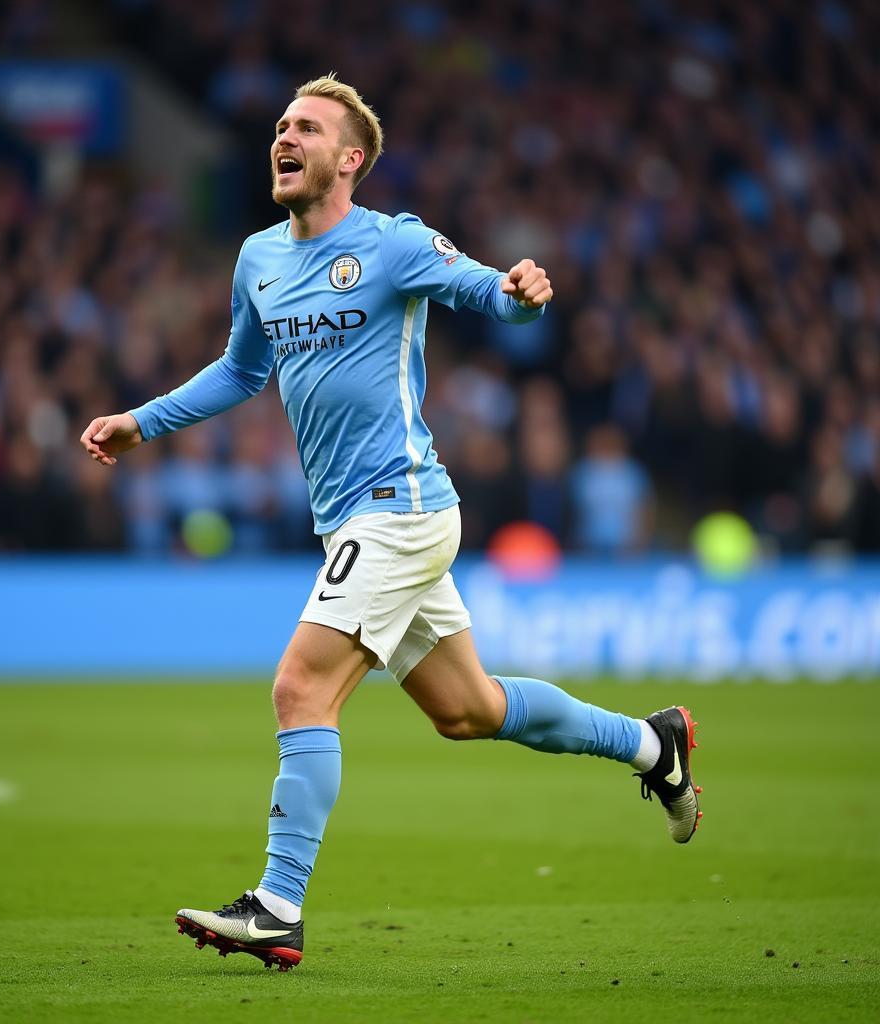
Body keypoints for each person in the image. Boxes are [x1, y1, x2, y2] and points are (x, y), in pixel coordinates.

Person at [80, 74, 702, 973]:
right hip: (354, 525)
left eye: (306, 128)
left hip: (400, 508)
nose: (283, 138)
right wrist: (143, 421)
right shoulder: (258, 258)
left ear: (350, 159)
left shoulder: (392, 243)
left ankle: (278, 904)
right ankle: (655, 744)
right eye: (280, 126)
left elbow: (484, 289)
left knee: (301, 689)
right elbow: (239, 371)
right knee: (469, 710)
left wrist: (521, 293)